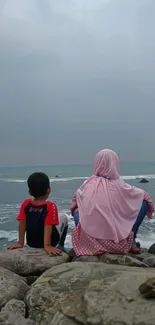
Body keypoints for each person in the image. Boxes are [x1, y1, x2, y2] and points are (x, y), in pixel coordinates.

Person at [70, 149, 154, 256]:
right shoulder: (121, 186)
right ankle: (131, 240)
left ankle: (84, 239)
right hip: (118, 243)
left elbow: (74, 204)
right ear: (115, 164)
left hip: (89, 243)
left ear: (97, 163)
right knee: (143, 202)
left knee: (77, 208)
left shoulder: (87, 184)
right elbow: (145, 196)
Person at [7, 172, 68, 255]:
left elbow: (22, 222)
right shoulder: (50, 206)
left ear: (30, 193)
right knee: (64, 217)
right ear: (48, 190)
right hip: (49, 243)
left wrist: (20, 243)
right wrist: (47, 245)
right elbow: (48, 226)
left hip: (31, 243)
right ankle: (60, 245)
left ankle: (22, 242)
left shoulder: (26, 204)